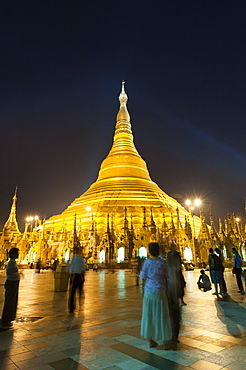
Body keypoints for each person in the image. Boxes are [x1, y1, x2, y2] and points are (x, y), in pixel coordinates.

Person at [139, 242, 172, 348]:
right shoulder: (163, 263)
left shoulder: (147, 262)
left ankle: (151, 340)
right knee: (162, 314)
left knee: (149, 314)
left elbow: (143, 276)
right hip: (160, 290)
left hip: (149, 291)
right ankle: (165, 339)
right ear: (159, 251)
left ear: (149, 251)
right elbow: (167, 276)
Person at [1, 248, 20, 329]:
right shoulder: (11, 263)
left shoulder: (13, 262)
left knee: (12, 301)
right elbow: (9, 272)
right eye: (16, 253)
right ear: (12, 254)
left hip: (14, 283)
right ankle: (6, 319)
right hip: (11, 283)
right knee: (10, 302)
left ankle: (9, 319)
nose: (18, 255)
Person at [66, 249, 86, 313]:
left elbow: (68, 268)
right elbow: (83, 269)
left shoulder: (72, 259)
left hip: (73, 276)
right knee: (80, 291)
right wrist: (83, 278)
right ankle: (80, 305)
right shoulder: (81, 259)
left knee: (72, 293)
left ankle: (71, 307)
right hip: (79, 276)